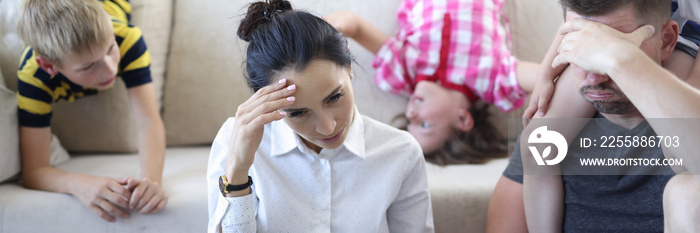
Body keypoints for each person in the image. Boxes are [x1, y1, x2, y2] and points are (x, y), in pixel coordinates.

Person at [206, 0, 434, 232]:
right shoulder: (235, 141)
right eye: (298, 113)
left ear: (349, 67)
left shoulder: (401, 153)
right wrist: (237, 171)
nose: (328, 128)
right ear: (263, 100)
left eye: (334, 98)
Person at [487, 0, 700, 232]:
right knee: (538, 141)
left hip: (686, 40)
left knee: (678, 147)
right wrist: (547, 70)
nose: (595, 77)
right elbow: (577, 18)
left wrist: (690, 87)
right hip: (607, 35)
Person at [324, 0, 541, 165]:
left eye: (410, 123)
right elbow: (546, 77)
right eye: (425, 125)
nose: (410, 114)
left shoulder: (404, 71)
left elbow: (353, 25)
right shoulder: (494, 81)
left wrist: (323, 35)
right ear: (463, 119)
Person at [16, 0, 167, 222]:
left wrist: (151, 181)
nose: (110, 70)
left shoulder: (125, 37)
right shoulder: (34, 76)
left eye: (110, 50)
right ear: (49, 66)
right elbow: (34, 171)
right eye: (88, 66)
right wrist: (78, 184)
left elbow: (148, 121)